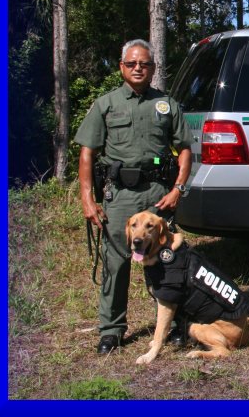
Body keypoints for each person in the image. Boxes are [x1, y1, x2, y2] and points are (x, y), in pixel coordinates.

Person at [75, 39, 193, 354]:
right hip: (120, 196)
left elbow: (184, 149)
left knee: (167, 261)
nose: (138, 68)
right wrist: (87, 198)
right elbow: (87, 153)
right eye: (131, 63)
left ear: (153, 68)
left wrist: (178, 189)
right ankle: (112, 330)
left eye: (144, 64)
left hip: (158, 195)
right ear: (121, 67)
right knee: (116, 263)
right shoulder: (106, 104)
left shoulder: (167, 104)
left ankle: (175, 326)